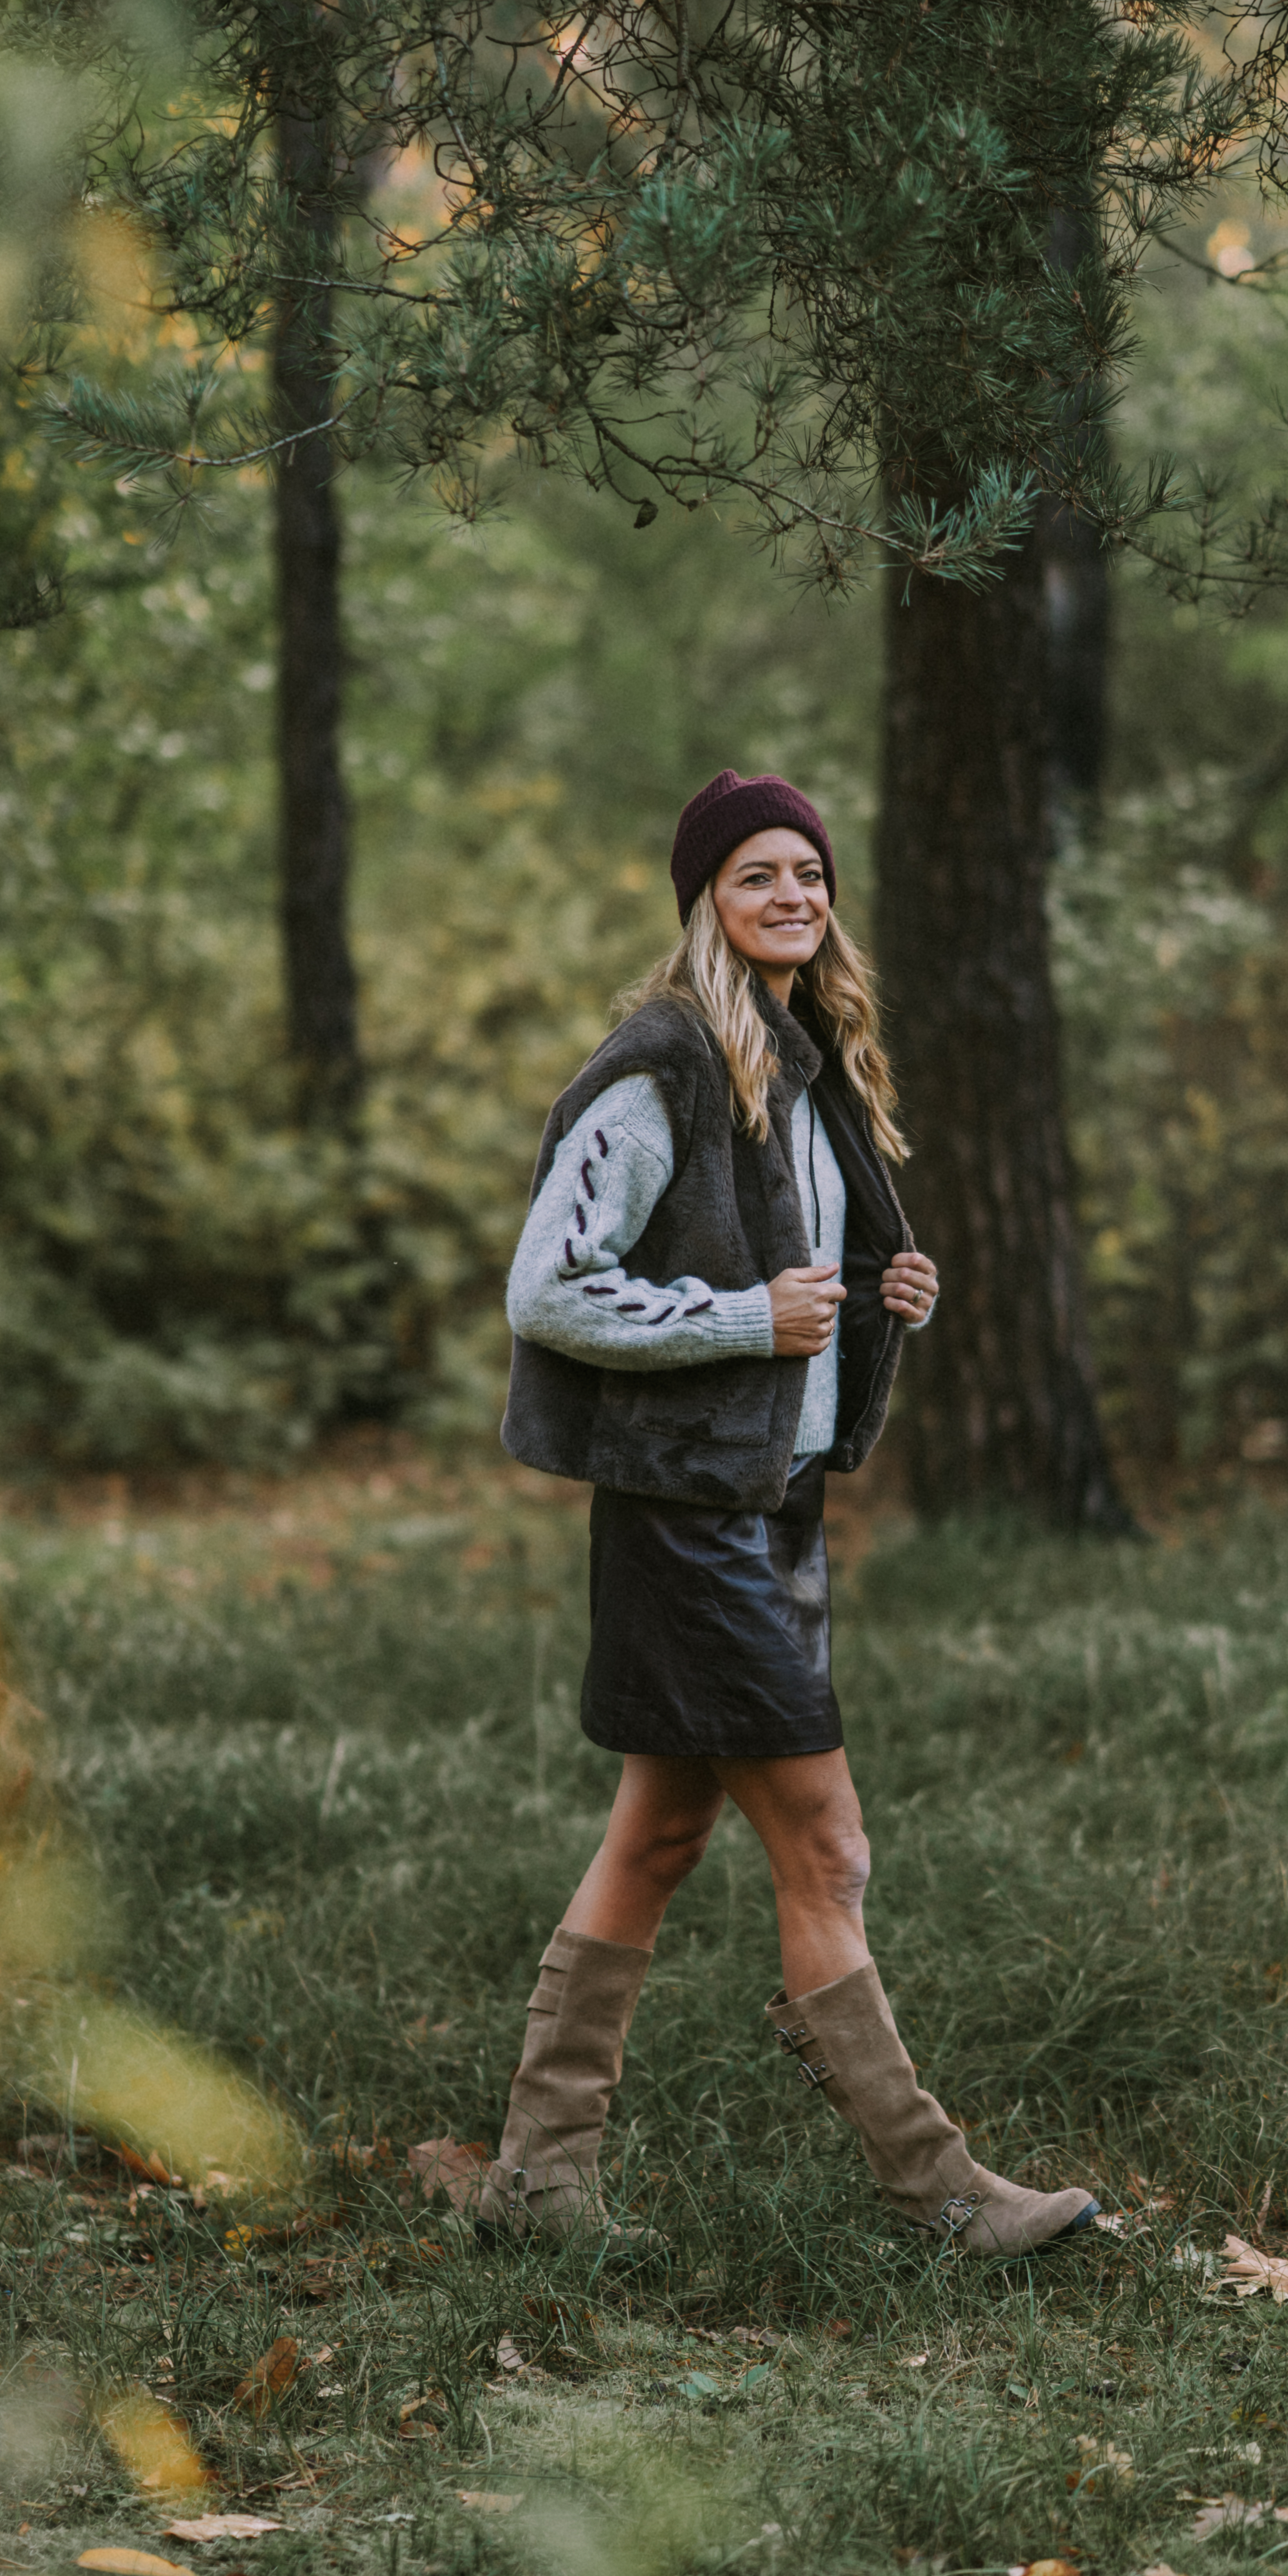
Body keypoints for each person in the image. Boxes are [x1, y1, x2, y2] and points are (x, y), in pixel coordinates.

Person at [459, 768, 1098, 2257]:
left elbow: (792, 1288)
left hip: (767, 1505)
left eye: (810, 874)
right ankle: (933, 2188)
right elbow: (549, 1287)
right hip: (687, 1516)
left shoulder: (803, 1060)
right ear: (705, 902)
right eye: (758, 876)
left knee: (660, 1835)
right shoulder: (664, 1065)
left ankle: (539, 2189)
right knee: (826, 1843)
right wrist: (747, 1318)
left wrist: (883, 1301)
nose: (794, 897)